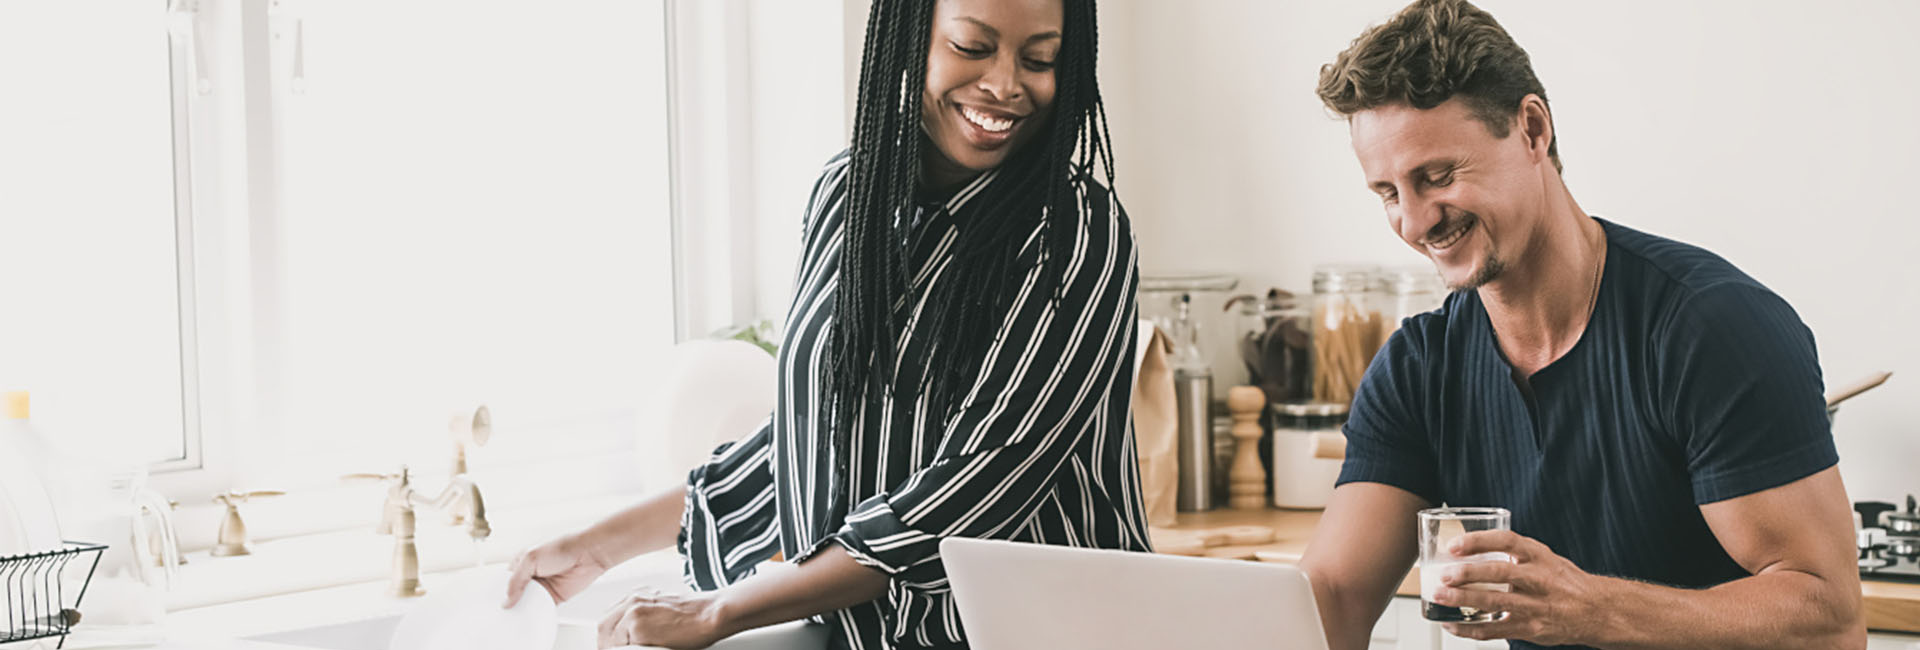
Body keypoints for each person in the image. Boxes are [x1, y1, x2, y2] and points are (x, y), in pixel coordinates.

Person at [503, 0, 1149, 647]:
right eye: (973, 47)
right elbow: (808, 443)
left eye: (1040, 59)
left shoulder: (1075, 234)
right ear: (909, 37)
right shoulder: (847, 196)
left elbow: (978, 486)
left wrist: (718, 610)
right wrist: (595, 547)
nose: (1007, 84)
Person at [1297, 1, 1866, 648]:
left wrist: (1591, 608)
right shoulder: (1420, 369)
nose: (1414, 222)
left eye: (1437, 177)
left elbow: (1829, 617)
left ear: (1532, 130)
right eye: (1389, 193)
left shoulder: (1709, 329)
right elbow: (1334, 595)